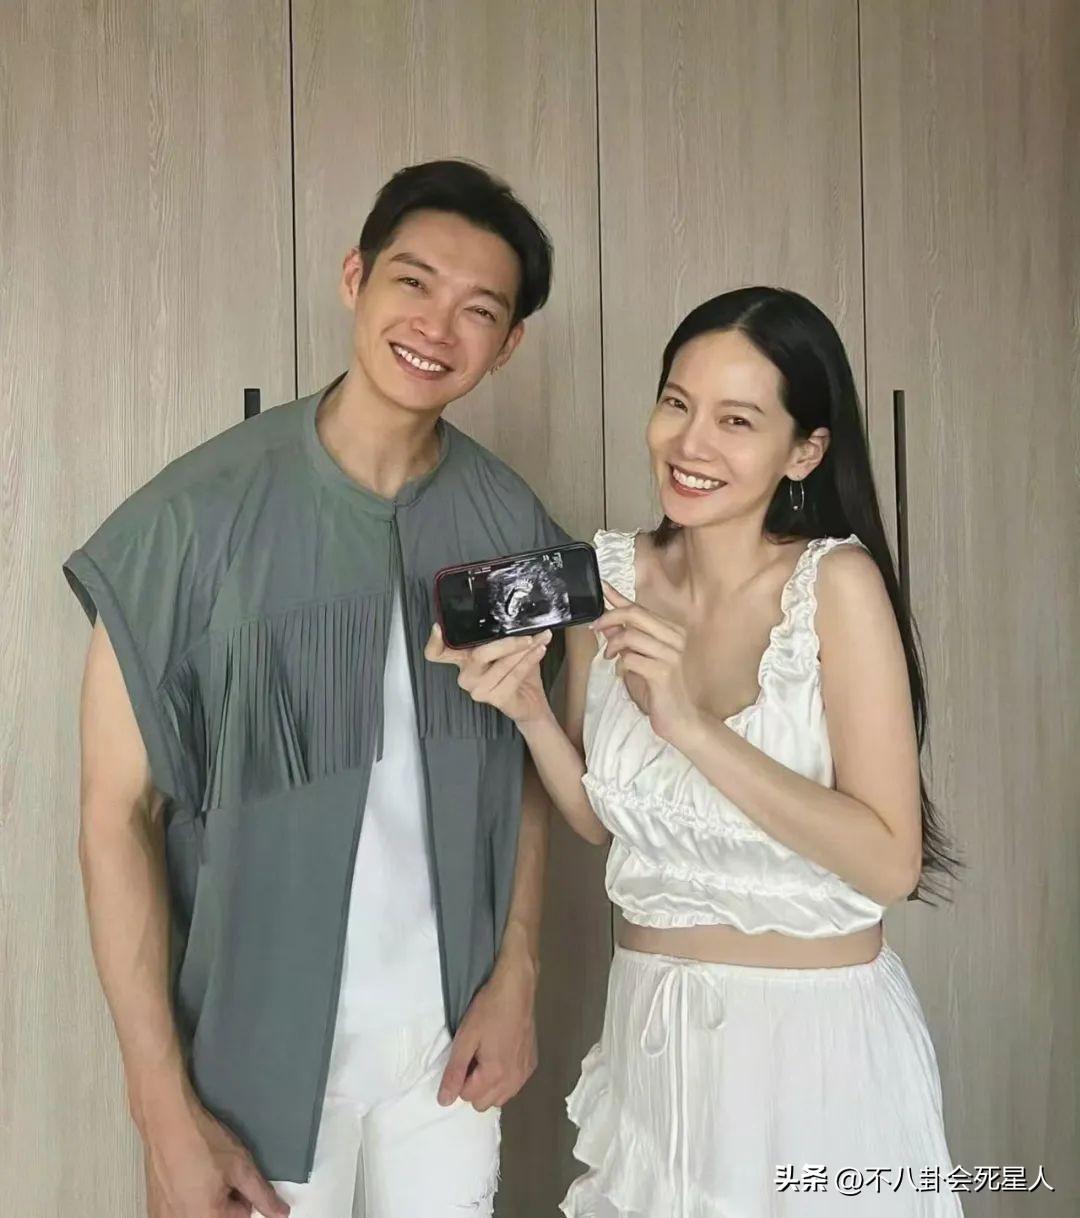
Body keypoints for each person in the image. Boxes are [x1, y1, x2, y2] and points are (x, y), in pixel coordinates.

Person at [65, 159, 569, 1218]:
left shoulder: (509, 525)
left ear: (509, 343)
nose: (437, 326)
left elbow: (527, 764)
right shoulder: (190, 520)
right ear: (354, 278)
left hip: (448, 1058)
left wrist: (517, 972)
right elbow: (115, 818)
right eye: (413, 282)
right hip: (252, 1067)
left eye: (479, 309)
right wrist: (162, 1108)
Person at [427, 286, 963, 1215]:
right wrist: (530, 712)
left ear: (804, 451)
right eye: (677, 402)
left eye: (737, 420)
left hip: (814, 1057)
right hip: (652, 1044)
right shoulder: (611, 574)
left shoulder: (836, 586)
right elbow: (604, 820)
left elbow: (889, 860)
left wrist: (688, 723)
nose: (690, 442)